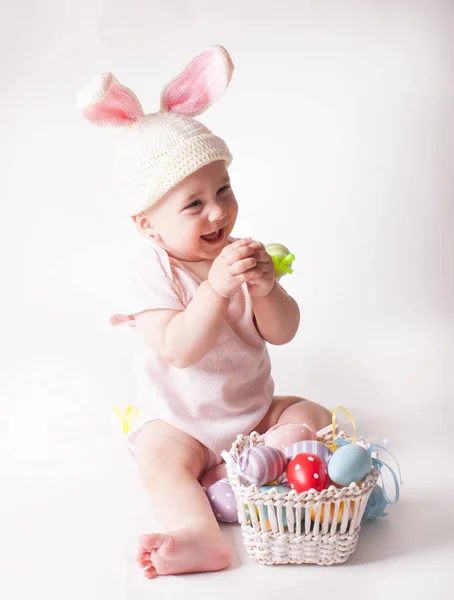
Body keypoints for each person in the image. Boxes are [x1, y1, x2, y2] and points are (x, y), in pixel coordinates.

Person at [78, 45, 331, 579]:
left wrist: (266, 287)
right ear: (148, 224)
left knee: (313, 417)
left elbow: (282, 332)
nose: (218, 211)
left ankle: (249, 470)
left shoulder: (238, 255)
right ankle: (200, 533)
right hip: (182, 422)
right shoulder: (150, 272)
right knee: (158, 461)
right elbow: (179, 348)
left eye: (224, 189)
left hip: (250, 413)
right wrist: (215, 291)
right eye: (193, 204)